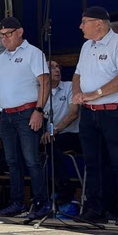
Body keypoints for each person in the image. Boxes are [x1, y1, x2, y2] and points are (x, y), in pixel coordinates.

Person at [0, 16, 50, 220]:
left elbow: (45, 83)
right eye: (1, 35)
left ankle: (41, 202)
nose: (5, 38)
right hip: (6, 114)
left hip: (27, 112)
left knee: (32, 160)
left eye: (8, 34)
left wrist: (39, 110)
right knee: (12, 161)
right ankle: (17, 203)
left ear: (20, 32)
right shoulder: (1, 58)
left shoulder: (33, 53)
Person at [72, 6, 118, 224]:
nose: (80, 26)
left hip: (113, 112)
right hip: (89, 113)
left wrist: (96, 93)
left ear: (99, 24)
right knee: (93, 163)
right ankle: (95, 208)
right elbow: (77, 75)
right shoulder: (86, 46)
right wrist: (77, 93)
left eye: (84, 22)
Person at [40, 60, 81, 204]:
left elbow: (73, 113)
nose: (56, 70)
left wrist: (55, 130)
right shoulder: (40, 92)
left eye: (58, 66)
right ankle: (39, 196)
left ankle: (65, 189)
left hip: (71, 134)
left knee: (52, 145)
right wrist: (51, 132)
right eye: (51, 67)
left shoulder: (69, 86)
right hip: (49, 136)